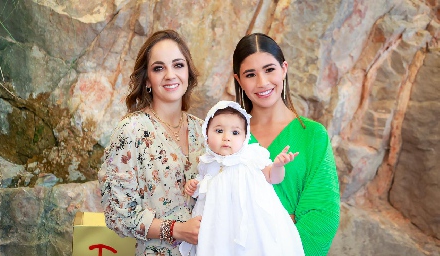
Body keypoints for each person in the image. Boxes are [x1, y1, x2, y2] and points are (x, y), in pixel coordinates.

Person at [98, 29, 205, 255]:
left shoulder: (205, 130)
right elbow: (119, 216)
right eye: (159, 68)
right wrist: (177, 229)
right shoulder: (131, 131)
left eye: (178, 65)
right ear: (147, 79)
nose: (170, 75)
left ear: (188, 72)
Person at [232, 33, 340, 256]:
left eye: (269, 69)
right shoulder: (229, 137)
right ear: (238, 80)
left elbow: (322, 213)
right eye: (250, 74)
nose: (262, 82)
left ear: (284, 68)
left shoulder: (312, 135)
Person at [179, 100, 305, 256]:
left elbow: (273, 178)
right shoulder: (207, 162)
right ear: (206, 134)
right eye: (219, 131)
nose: (226, 137)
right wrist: (193, 185)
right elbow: (201, 188)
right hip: (219, 225)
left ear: (245, 137)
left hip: (252, 223)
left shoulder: (251, 156)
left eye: (235, 132)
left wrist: (278, 166)